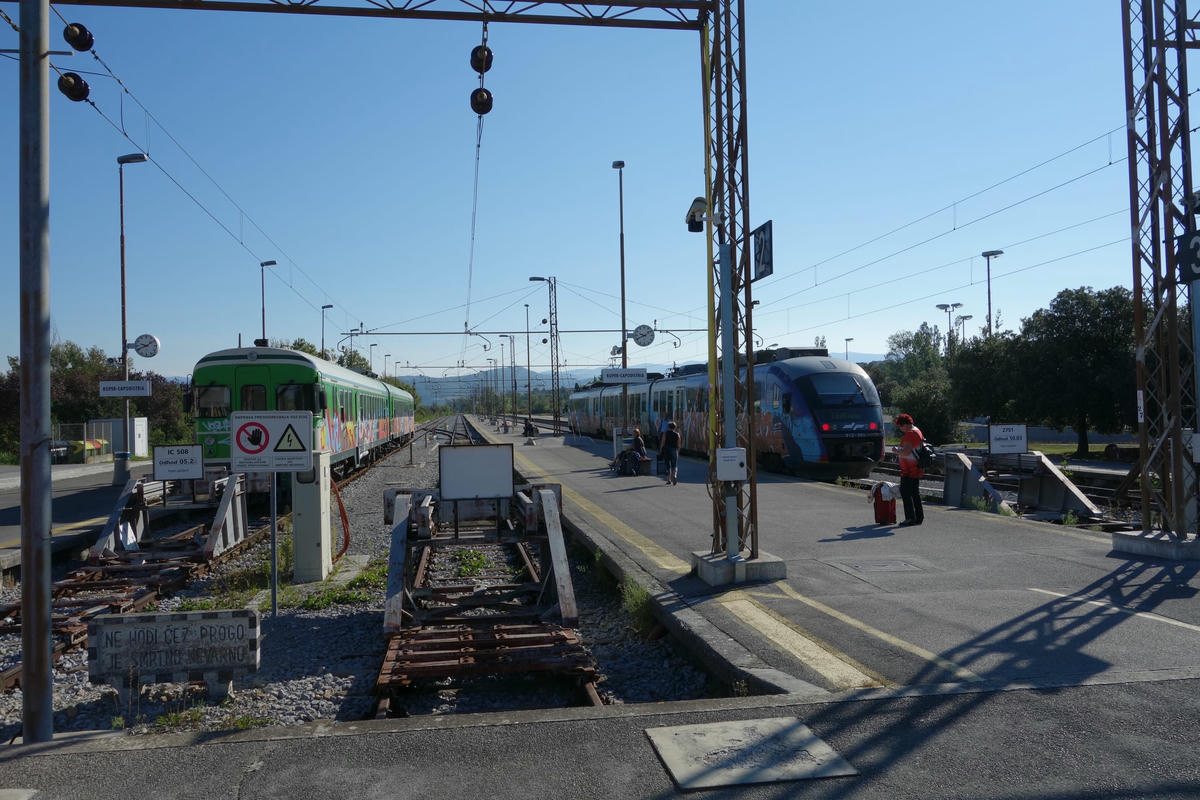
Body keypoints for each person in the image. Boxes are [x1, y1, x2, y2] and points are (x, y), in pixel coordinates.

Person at [893, 413, 925, 526]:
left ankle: (910, 518)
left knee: (906, 493)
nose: (900, 429)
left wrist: (896, 450)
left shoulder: (910, 434)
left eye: (900, 426)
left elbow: (906, 452)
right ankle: (918, 517)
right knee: (915, 493)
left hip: (909, 470)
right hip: (916, 468)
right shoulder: (917, 431)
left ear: (904, 425)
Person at [660, 420, 681, 486]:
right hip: (674, 450)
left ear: (668, 427)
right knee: (674, 465)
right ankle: (674, 475)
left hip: (666, 450)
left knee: (667, 464)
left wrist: (660, 449)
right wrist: (678, 451)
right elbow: (679, 445)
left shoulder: (665, 433)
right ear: (675, 427)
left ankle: (669, 480)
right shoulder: (677, 434)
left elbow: (663, 442)